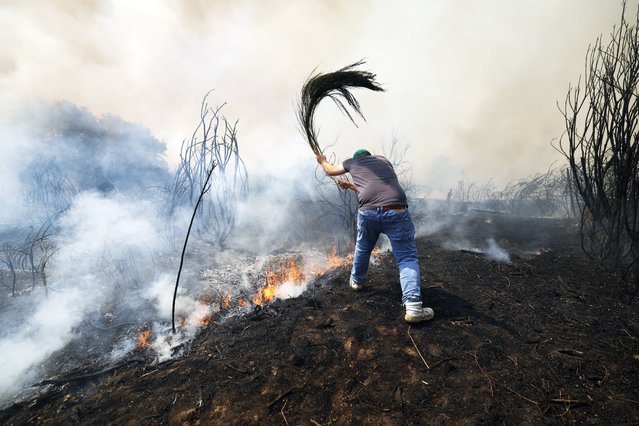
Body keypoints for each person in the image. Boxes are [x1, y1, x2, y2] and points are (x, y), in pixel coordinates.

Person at [316, 149, 434, 323]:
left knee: (363, 247)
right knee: (406, 258)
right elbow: (377, 187)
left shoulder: (352, 162)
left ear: (357, 158)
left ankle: (356, 281)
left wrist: (322, 160)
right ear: (369, 156)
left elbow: (329, 170)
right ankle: (414, 308)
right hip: (396, 210)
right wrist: (351, 186)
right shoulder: (383, 161)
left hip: (369, 213)